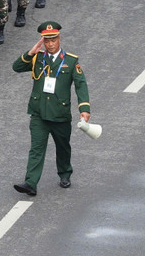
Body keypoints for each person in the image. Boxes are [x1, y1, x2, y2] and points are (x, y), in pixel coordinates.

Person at [11, 21, 91, 196]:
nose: (50, 44)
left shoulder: (70, 61)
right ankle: (31, 183)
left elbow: (80, 84)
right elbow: (16, 67)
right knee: (36, 148)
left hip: (60, 114)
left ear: (59, 39)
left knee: (63, 146)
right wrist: (30, 52)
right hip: (39, 113)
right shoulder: (37, 58)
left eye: (53, 40)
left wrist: (84, 108)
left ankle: (64, 173)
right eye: (46, 41)